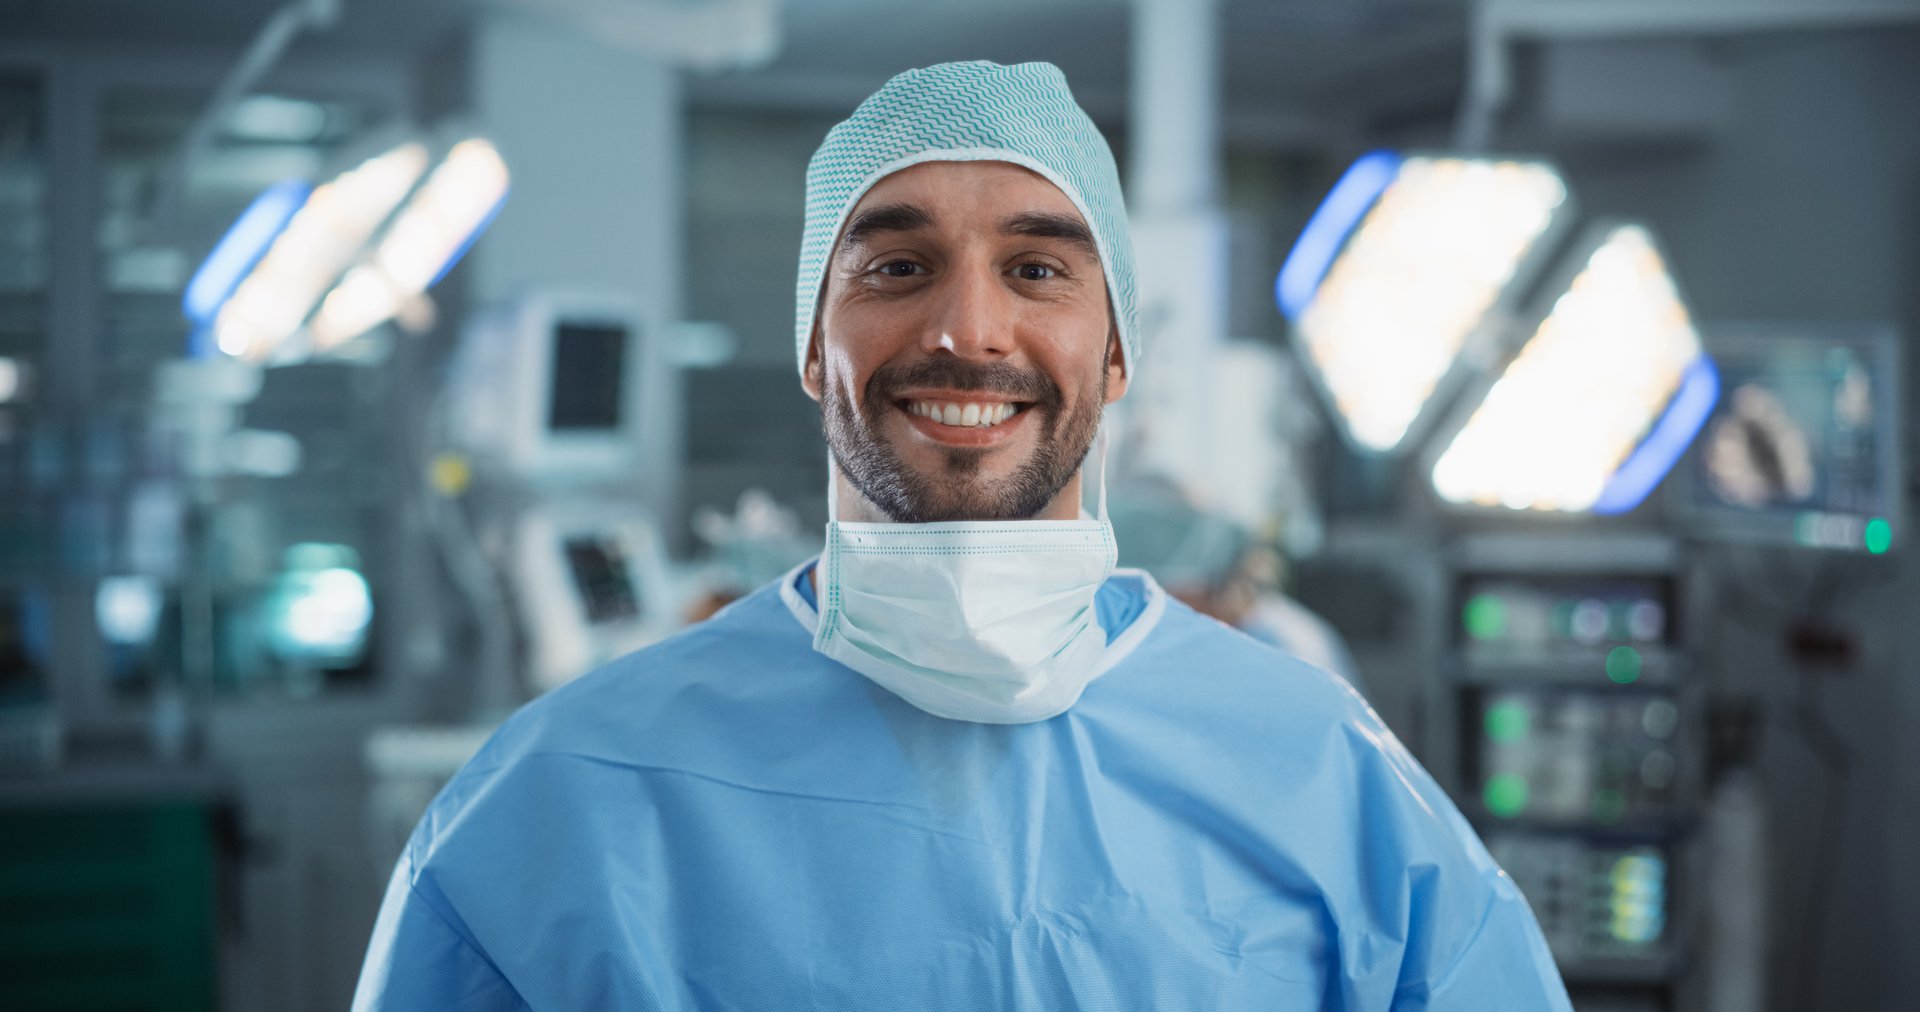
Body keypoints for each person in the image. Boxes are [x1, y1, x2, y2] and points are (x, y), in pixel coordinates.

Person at [354, 61, 1571, 1009]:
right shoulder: (557, 799)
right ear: (809, 341)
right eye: (896, 265)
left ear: (1117, 349)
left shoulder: (1325, 776)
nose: (969, 329)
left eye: (1040, 268)